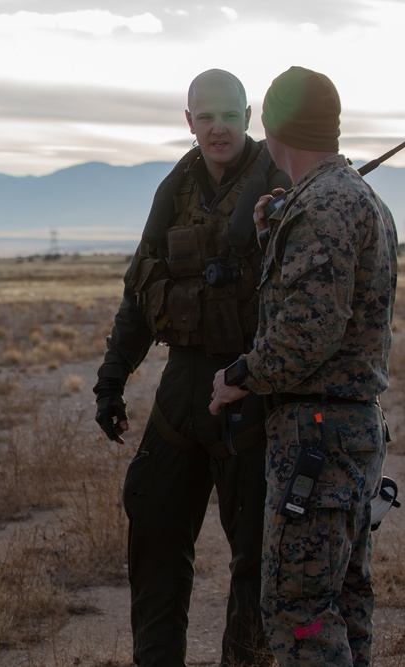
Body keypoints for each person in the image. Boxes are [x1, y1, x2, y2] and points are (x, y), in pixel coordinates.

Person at [94, 69, 290, 667]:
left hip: (253, 388)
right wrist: (111, 380)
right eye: (205, 116)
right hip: (184, 383)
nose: (217, 127)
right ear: (189, 122)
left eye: (229, 114)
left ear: (249, 115)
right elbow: (141, 289)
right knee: (152, 527)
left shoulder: (279, 181)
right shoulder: (174, 187)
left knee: (256, 558)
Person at [211, 66, 397, 667]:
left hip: (316, 435)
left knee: (300, 611)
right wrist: (274, 235)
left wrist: (237, 378)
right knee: (341, 602)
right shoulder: (358, 200)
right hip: (351, 431)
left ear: (271, 128)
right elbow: (328, 305)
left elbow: (304, 337)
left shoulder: (323, 207)